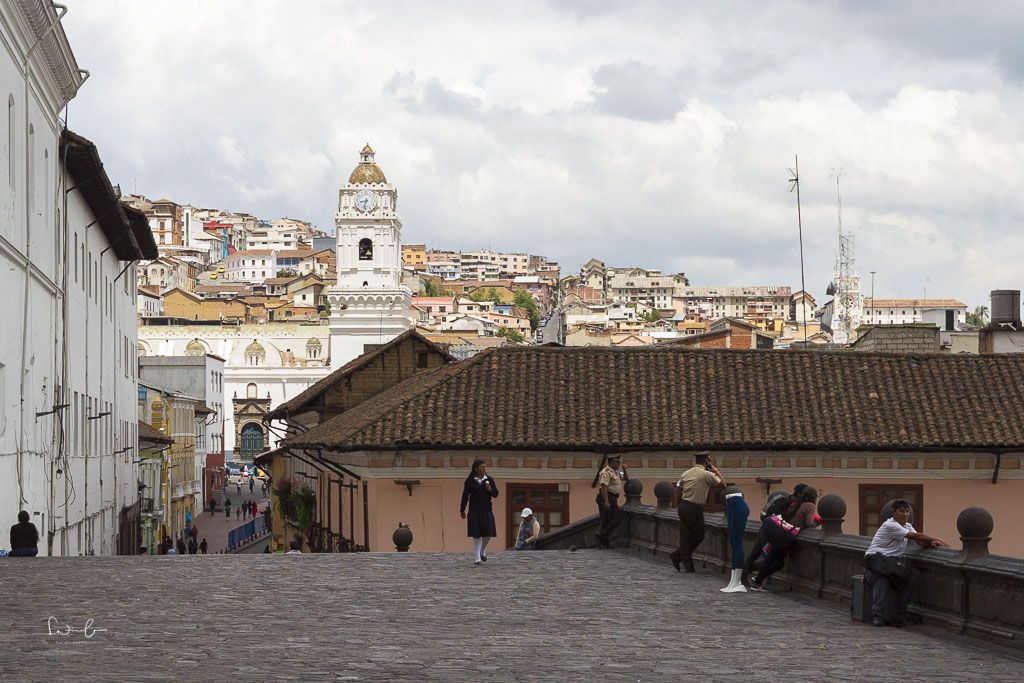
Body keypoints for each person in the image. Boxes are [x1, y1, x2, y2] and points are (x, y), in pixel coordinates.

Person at [864, 499, 949, 627]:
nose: (905, 514)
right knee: (882, 579)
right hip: (877, 560)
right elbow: (915, 536)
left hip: (891, 563)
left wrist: (930, 543)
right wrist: (936, 538)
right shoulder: (890, 525)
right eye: (901, 511)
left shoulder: (907, 526)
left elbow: (918, 541)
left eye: (907, 511)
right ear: (893, 512)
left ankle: (898, 615)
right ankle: (878, 615)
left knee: (909, 579)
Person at [749, 486, 820, 591]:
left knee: (772, 558)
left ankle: (756, 577)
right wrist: (818, 523)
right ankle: (757, 580)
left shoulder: (797, 502)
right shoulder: (810, 505)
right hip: (785, 534)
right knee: (776, 562)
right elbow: (809, 523)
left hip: (779, 529)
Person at [669, 452, 724, 573]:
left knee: (685, 536)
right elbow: (723, 484)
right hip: (694, 508)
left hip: (683, 506)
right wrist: (716, 470)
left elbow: (678, 489)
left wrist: (679, 504)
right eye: (709, 461)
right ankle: (678, 556)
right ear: (707, 462)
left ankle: (687, 564)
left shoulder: (686, 473)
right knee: (699, 535)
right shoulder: (706, 474)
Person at [741, 483, 807, 583]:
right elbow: (787, 517)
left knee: (755, 553)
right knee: (774, 560)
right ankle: (753, 577)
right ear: (800, 494)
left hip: (765, 527)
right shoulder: (790, 503)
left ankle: (744, 574)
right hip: (772, 533)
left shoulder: (785, 499)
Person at [459, 459, 499, 565]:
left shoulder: (489, 480)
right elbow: (465, 496)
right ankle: (477, 557)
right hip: (474, 511)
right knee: (476, 535)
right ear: (476, 469)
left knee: (488, 533)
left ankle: (482, 550)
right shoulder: (470, 481)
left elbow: (495, 494)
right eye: (482, 467)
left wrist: (490, 489)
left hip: (486, 510)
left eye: (485, 467)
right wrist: (462, 510)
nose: (484, 469)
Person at [593, 454, 624, 548]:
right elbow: (604, 486)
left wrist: (625, 469)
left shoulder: (616, 472)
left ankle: (604, 543)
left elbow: (625, 478)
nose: (619, 464)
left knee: (608, 520)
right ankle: (602, 535)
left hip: (613, 497)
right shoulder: (606, 472)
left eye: (619, 462)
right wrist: (606, 501)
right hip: (606, 497)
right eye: (617, 462)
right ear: (611, 462)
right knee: (615, 519)